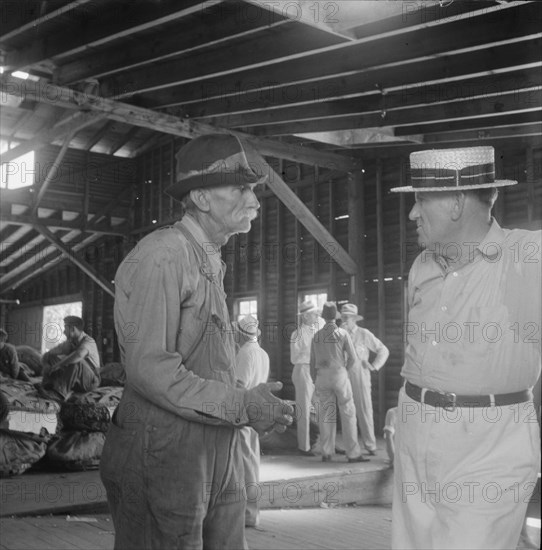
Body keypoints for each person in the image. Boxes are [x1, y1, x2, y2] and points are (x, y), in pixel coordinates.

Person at [100, 133, 294, 550]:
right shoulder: (164, 255)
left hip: (214, 445)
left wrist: (249, 403)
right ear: (202, 198)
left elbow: (208, 364)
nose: (254, 202)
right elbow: (151, 368)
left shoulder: (207, 259)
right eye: (241, 189)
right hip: (163, 449)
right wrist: (241, 405)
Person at [389, 145, 541, 549]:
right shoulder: (421, 266)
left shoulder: (527, 257)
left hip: (488, 443)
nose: (412, 213)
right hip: (414, 430)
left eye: (421, 200)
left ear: (457, 202)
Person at [310, 301, 370, 463]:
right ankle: (353, 453)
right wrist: (345, 369)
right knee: (348, 413)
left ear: (324, 317)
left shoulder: (316, 336)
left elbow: (312, 361)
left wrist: (315, 379)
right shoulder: (342, 334)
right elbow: (353, 357)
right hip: (339, 374)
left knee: (326, 415)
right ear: (335, 317)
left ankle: (327, 451)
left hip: (321, 376)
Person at [235, 315, 270, 528]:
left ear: (240, 333)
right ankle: (251, 512)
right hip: (257, 412)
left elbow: (240, 385)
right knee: (252, 462)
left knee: (244, 464)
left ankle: (247, 513)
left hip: (244, 413)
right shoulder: (263, 354)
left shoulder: (245, 353)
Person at [340, 303, 389, 455]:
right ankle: (352, 447)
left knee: (364, 409)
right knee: (347, 411)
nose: (344, 320)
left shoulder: (364, 333)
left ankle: (370, 445)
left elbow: (383, 350)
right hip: (343, 375)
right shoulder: (338, 334)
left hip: (361, 374)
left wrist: (374, 366)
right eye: (342, 317)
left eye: (347, 317)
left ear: (354, 319)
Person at [289, 300, 324, 456]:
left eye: (317, 313)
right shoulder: (297, 334)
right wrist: (312, 353)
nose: (317, 315)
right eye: (314, 313)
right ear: (305, 316)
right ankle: (304, 446)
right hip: (303, 369)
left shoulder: (318, 328)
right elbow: (295, 358)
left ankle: (327, 443)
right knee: (303, 409)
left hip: (317, 371)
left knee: (322, 407)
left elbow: (325, 321)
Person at [39, 316, 100, 400]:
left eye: (65, 328)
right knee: (51, 357)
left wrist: (58, 365)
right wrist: (46, 365)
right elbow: (48, 354)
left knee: (76, 361)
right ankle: (48, 385)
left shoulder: (89, 341)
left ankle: (59, 394)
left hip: (91, 381)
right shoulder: (70, 342)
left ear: (72, 329)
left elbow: (78, 355)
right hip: (76, 381)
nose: (64, 332)